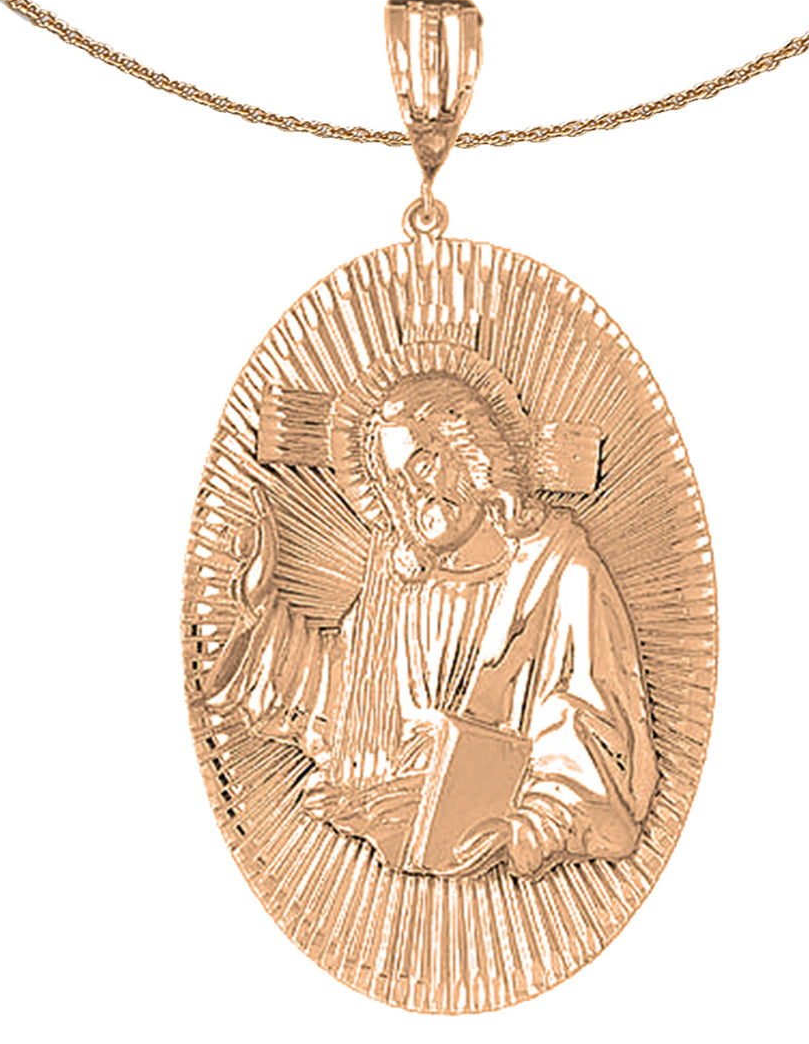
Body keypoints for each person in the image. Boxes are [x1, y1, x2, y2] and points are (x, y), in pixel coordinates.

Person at [203, 371, 659, 879]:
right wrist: (258, 608)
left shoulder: (561, 574)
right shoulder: (398, 590)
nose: (413, 492)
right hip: (384, 873)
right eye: (394, 481)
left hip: (499, 867)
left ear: (472, 452)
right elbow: (347, 698)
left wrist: (523, 831)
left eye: (423, 463)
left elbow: (592, 735)